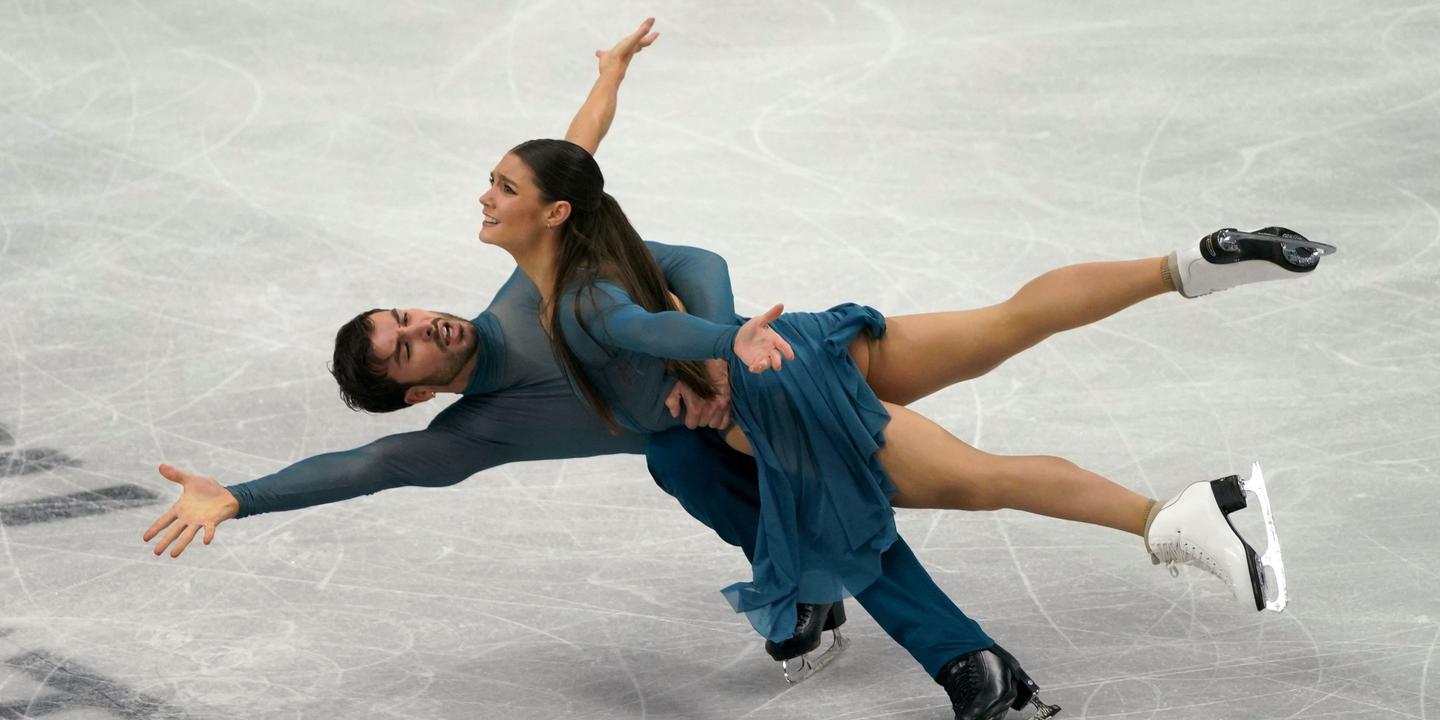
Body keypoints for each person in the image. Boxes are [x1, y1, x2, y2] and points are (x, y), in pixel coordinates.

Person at [142, 20, 1038, 720]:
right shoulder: (473, 435)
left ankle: (963, 659)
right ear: (416, 392)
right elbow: (367, 467)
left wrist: (609, 79)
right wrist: (241, 497)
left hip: (762, 375)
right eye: (409, 344)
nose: (428, 323)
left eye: (407, 314)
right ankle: (831, 600)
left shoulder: (528, 291)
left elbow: (570, 167)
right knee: (677, 461)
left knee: (823, 503)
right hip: (696, 437)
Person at [480, 136, 1333, 718]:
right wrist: (609, 77)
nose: (486, 197)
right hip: (809, 344)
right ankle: (1185, 263)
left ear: (552, 212)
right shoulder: (589, 240)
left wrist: (720, 344)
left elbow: (642, 331)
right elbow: (590, 164)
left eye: (504, 187)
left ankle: (1168, 517)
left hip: (781, 393)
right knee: (1005, 324)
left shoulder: (582, 294)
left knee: (978, 479)